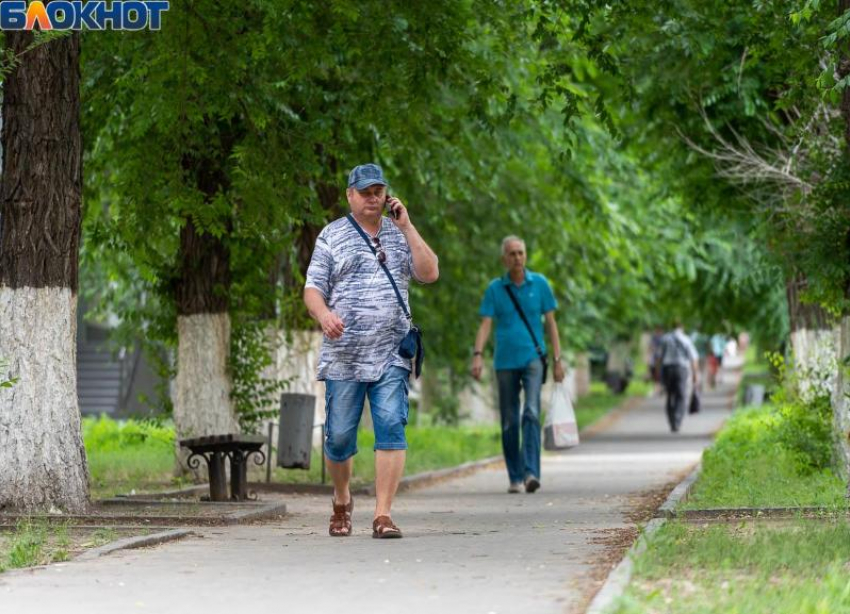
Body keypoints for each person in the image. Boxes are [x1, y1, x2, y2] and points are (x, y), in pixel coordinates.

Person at [303, 163, 439, 539]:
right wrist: (324, 314)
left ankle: (382, 515)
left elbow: (429, 273)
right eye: (365, 192)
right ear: (350, 195)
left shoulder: (399, 234)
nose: (372, 198)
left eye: (378, 191)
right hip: (344, 356)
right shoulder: (332, 236)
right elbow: (312, 289)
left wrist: (408, 227)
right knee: (340, 438)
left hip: (391, 354)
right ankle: (342, 497)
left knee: (392, 426)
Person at [471, 236, 565, 494]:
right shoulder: (495, 289)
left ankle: (531, 473)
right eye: (511, 254)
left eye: (520, 253)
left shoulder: (541, 284)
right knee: (510, 420)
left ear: (526, 256)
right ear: (504, 259)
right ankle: (515, 475)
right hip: (505, 362)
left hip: (534, 357)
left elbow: (552, 324)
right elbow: (485, 324)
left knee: (531, 412)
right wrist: (477, 354)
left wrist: (558, 360)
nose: (517, 258)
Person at [656, 321, 699, 432]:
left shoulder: (665, 339)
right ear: (682, 327)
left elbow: (659, 357)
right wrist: (695, 374)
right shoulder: (686, 339)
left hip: (668, 369)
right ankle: (677, 420)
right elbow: (693, 358)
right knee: (681, 395)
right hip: (681, 369)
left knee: (670, 395)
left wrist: (658, 373)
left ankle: (671, 420)